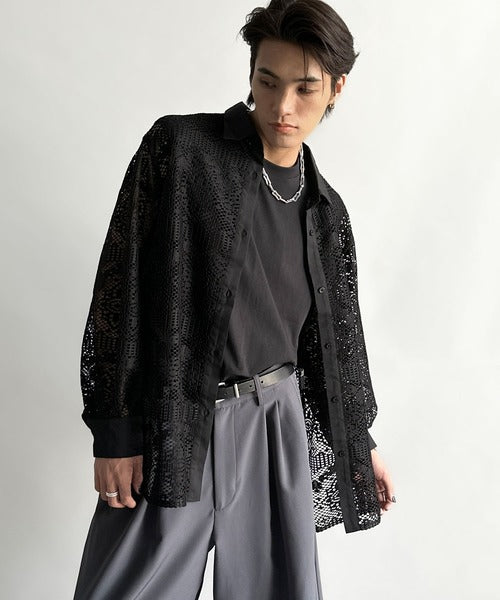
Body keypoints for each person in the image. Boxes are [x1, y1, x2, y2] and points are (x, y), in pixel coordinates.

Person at [73, 0, 396, 598]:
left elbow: (330, 345)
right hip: (176, 420)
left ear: (336, 89)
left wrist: (360, 443)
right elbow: (120, 288)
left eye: (305, 88)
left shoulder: (327, 213)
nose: (282, 106)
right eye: (268, 82)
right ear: (251, 73)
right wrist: (115, 432)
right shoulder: (181, 151)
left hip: (276, 426)